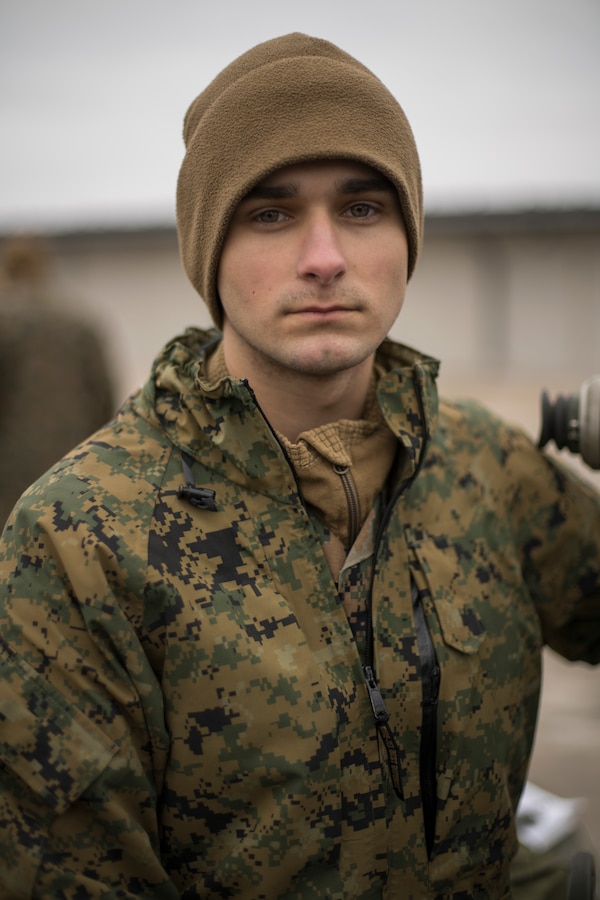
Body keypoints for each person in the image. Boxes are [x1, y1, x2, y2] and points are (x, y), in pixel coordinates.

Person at [0, 32, 598, 900]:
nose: (325, 258)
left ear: (407, 235)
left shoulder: (484, 465)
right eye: (270, 214)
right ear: (210, 253)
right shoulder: (80, 538)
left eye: (362, 208)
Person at [0, 235, 115, 528]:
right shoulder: (79, 322)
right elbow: (105, 396)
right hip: (72, 465)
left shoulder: (5, 322)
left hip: (10, 472)